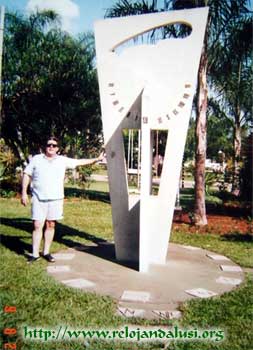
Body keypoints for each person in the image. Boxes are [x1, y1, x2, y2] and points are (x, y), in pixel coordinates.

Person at [21, 136, 104, 263]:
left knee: (51, 224)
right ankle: (34, 254)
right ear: (45, 146)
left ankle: (46, 252)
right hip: (38, 198)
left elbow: (80, 161)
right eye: (49, 145)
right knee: (37, 225)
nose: (51, 147)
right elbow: (27, 174)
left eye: (54, 145)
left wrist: (96, 159)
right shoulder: (37, 159)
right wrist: (24, 193)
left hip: (56, 199)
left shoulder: (62, 160)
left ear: (57, 148)